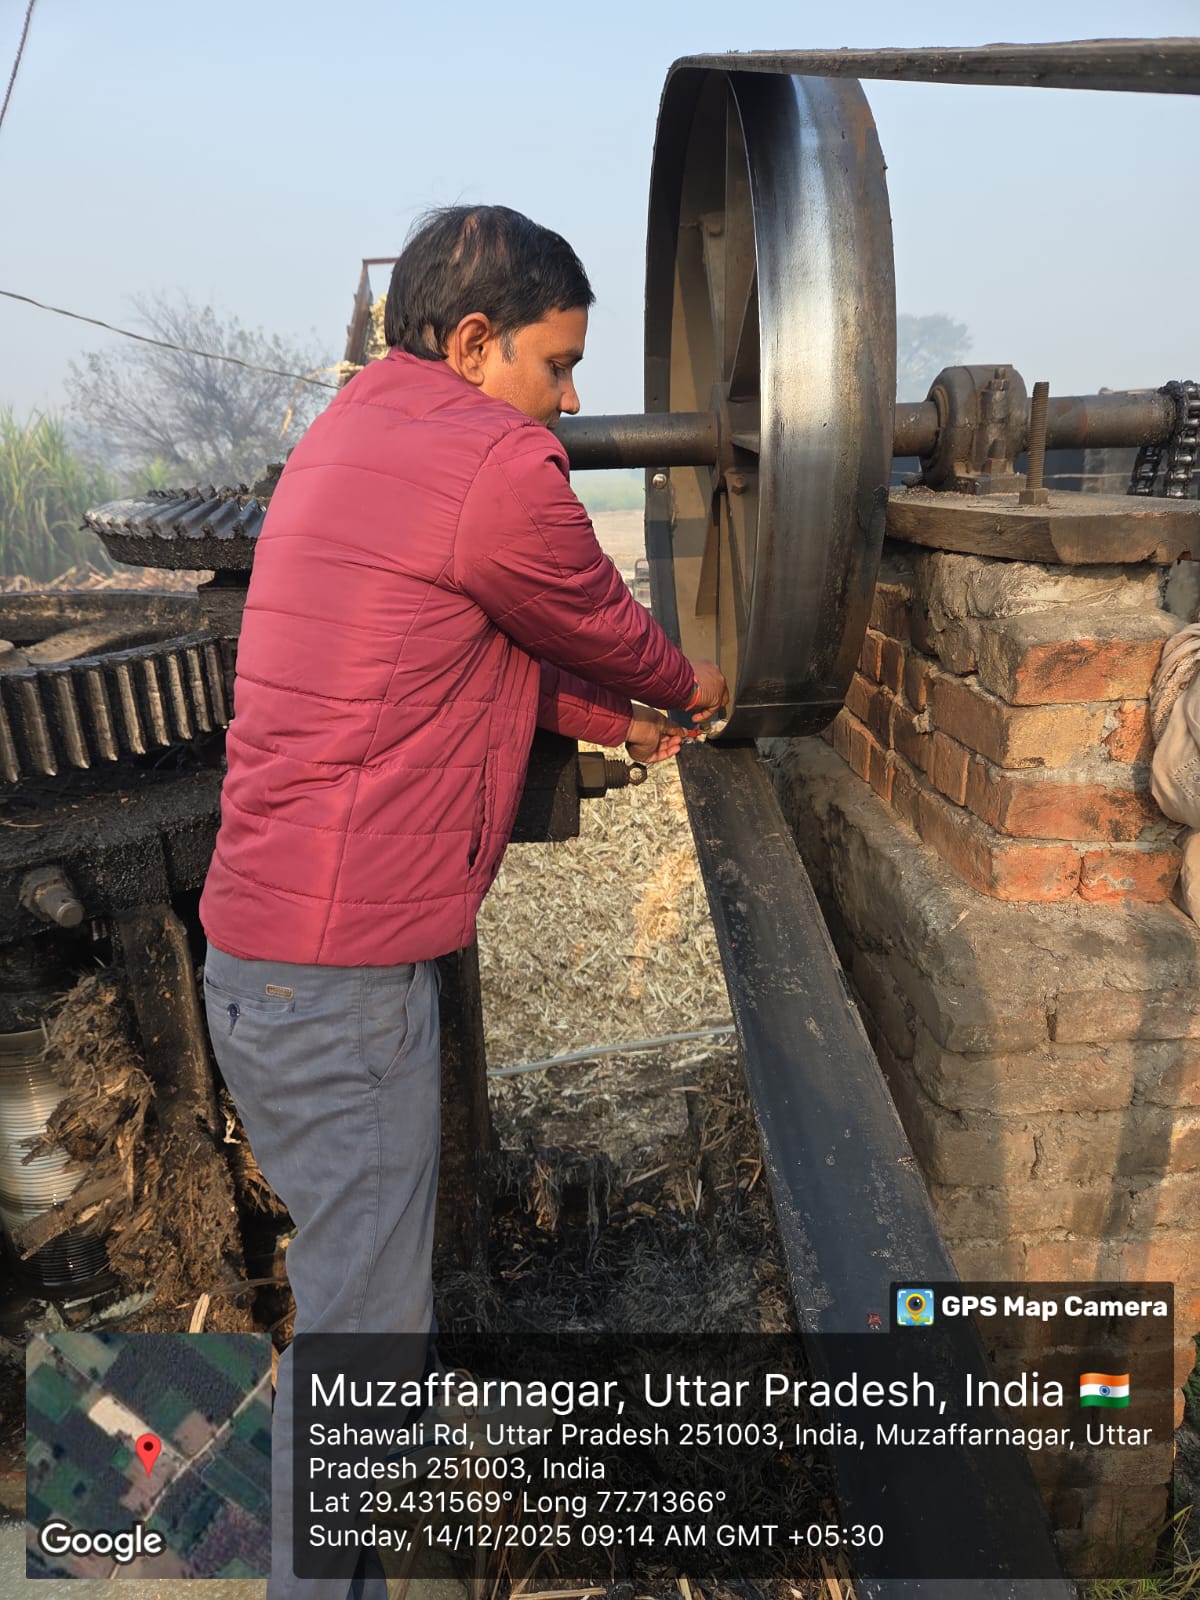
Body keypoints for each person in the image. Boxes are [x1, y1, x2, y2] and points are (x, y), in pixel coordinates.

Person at [198, 204, 727, 1598]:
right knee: (366, 1350)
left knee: (353, 1307)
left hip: (264, 962)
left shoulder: (359, 432)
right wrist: (688, 685)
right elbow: (588, 614)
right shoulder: (492, 459)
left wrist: (614, 724)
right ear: (477, 341)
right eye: (559, 363)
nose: (571, 401)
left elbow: (465, 642)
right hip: (341, 985)